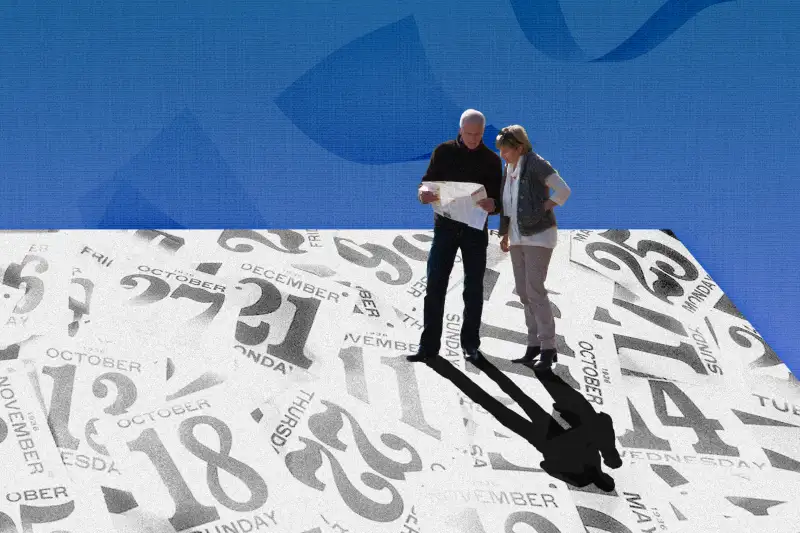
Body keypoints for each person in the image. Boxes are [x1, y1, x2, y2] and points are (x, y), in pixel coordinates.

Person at [407, 109, 503, 364]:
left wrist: (494, 204)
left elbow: (501, 199)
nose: (473, 139)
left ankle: (470, 345)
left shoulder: (492, 161)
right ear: (460, 129)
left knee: (473, 290)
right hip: (445, 228)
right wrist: (423, 194)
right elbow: (426, 183)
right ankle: (428, 346)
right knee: (435, 285)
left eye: (478, 135)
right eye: (469, 134)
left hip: (474, 231)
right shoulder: (443, 152)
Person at [495, 125, 571, 370]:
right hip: (518, 237)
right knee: (523, 292)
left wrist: (543, 207)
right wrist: (505, 233)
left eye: (506, 150)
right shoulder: (508, 168)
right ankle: (533, 345)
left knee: (535, 290)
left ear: (519, 147)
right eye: (501, 151)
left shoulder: (536, 164)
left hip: (539, 236)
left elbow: (563, 190)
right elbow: (507, 204)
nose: (502, 155)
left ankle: (549, 348)